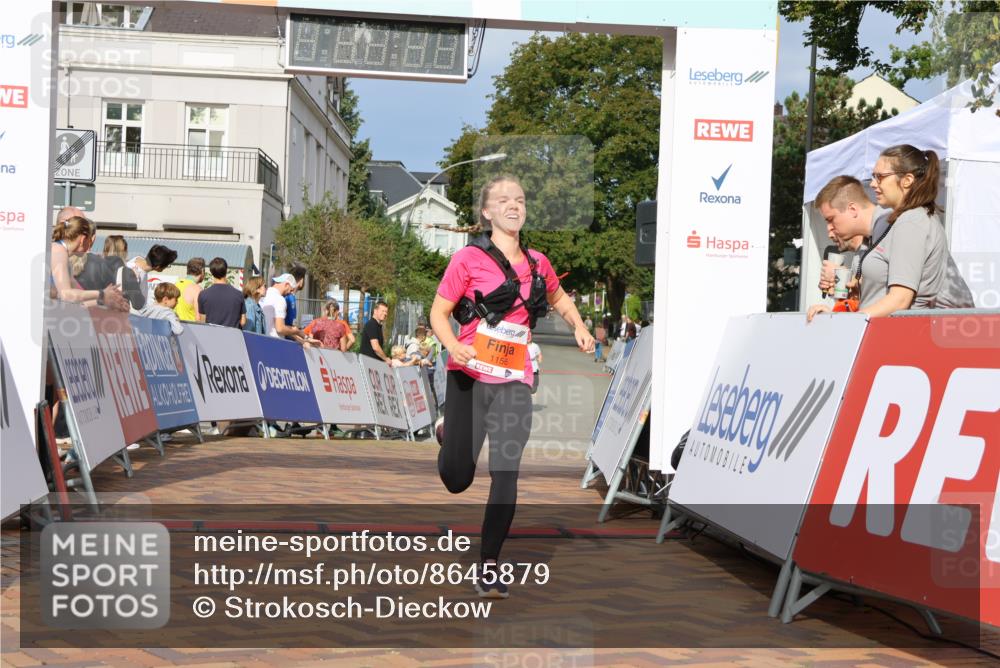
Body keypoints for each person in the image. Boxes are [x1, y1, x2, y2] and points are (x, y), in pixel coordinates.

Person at [429, 175, 594, 599]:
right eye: (503, 200)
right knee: (457, 479)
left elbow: (559, 299)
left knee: (506, 470)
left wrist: (579, 326)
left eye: (519, 199)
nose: (513, 205)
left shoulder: (538, 263)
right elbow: (438, 313)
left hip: (514, 380)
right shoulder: (467, 259)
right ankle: (447, 433)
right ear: (487, 212)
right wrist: (453, 346)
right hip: (468, 374)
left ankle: (489, 565)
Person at [807, 164, 973, 321]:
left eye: (831, 219)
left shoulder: (901, 224)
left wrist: (851, 321)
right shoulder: (867, 245)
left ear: (852, 209)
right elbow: (876, 300)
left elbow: (900, 299)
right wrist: (847, 295)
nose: (829, 229)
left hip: (946, 328)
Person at [49, 216, 126, 308]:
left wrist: (104, 301)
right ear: (82, 240)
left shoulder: (62, 253)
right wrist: (102, 294)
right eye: (89, 241)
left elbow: (79, 300)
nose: (90, 246)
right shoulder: (59, 251)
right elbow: (66, 295)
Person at [260, 273, 312, 344]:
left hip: (263, 339)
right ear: (286, 285)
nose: (290, 293)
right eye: (290, 290)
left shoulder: (264, 295)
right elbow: (280, 328)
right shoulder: (280, 300)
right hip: (275, 342)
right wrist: (296, 331)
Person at [198, 257, 246, 328]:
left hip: (211, 333)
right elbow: (243, 321)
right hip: (232, 333)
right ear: (226, 271)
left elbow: (202, 321)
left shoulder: (203, 295)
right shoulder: (238, 294)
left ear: (211, 272)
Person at [174, 257, 205, 322]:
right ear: (202, 271)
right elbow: (199, 318)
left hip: (174, 326)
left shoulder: (175, 285)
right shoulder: (197, 290)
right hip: (190, 327)